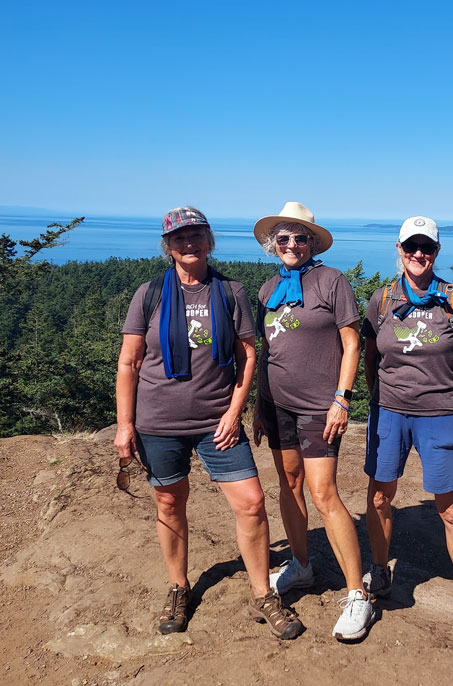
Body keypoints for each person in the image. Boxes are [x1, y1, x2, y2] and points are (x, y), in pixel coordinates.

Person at [114, 206, 303, 640]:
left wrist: (235, 412)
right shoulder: (149, 294)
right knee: (169, 503)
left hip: (218, 419)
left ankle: (263, 594)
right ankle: (178, 588)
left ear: (209, 240)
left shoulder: (230, 291)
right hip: (158, 420)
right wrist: (125, 425)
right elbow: (129, 362)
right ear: (168, 246)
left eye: (197, 234)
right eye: (180, 237)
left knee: (251, 504)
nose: (189, 243)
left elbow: (247, 354)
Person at [362, 216, 453, 639]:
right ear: (399, 249)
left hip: (440, 413)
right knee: (379, 497)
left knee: (451, 509)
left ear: (436, 252)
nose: (419, 254)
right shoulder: (381, 300)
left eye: (427, 247)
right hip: (389, 412)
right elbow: (369, 355)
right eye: (412, 246)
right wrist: (378, 398)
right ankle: (379, 569)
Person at [252, 201, 375, 641]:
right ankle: (301, 566)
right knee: (288, 483)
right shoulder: (268, 290)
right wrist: (259, 404)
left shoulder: (331, 280)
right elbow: (267, 350)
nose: (291, 244)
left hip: (319, 406)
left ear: (312, 243)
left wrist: (342, 399)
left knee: (324, 493)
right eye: (283, 238)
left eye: (300, 238)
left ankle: (358, 594)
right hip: (277, 404)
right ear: (273, 244)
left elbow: (352, 343)